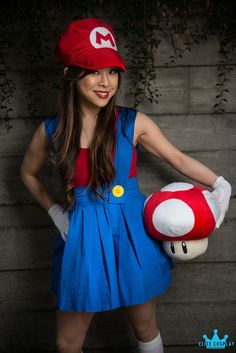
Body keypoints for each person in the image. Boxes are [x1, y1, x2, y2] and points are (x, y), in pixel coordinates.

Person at [19, 18, 232, 353]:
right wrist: (56, 212)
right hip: (83, 237)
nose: (106, 82)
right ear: (70, 75)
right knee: (67, 342)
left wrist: (220, 183)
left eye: (113, 71)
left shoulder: (133, 123)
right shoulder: (52, 131)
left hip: (131, 232)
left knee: (145, 328)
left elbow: (176, 158)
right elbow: (27, 174)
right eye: (93, 70)